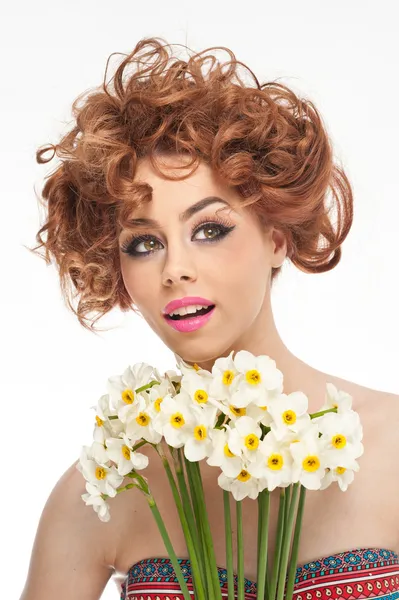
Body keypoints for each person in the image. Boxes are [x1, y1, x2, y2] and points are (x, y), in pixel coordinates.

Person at [20, 37, 399, 600]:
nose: (175, 269)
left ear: (275, 238)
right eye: (144, 242)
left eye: (209, 229)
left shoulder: (393, 447)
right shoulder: (103, 491)